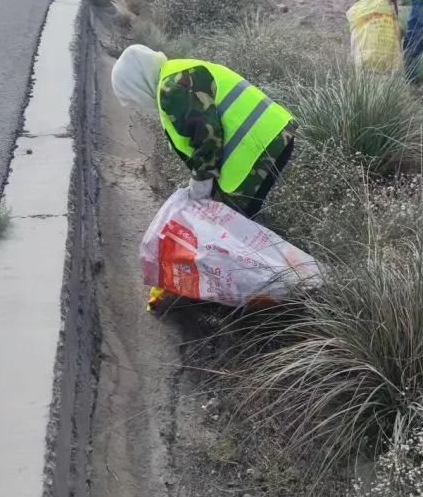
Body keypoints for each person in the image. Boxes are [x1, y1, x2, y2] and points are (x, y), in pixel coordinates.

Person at [111, 46, 297, 310]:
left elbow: (207, 137)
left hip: (257, 152)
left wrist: (201, 182)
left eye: (131, 99)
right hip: (272, 139)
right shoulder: (175, 73)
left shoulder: (172, 88)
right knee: (238, 225)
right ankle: (273, 285)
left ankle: (276, 294)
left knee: (231, 231)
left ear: (137, 85)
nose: (136, 105)